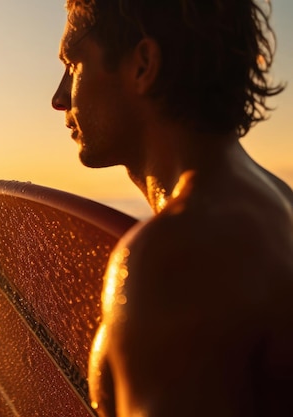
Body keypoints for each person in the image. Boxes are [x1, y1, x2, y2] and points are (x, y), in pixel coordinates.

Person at [51, 1, 293, 416]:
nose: (59, 98)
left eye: (74, 65)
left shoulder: (175, 258)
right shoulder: (276, 200)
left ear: (143, 65)